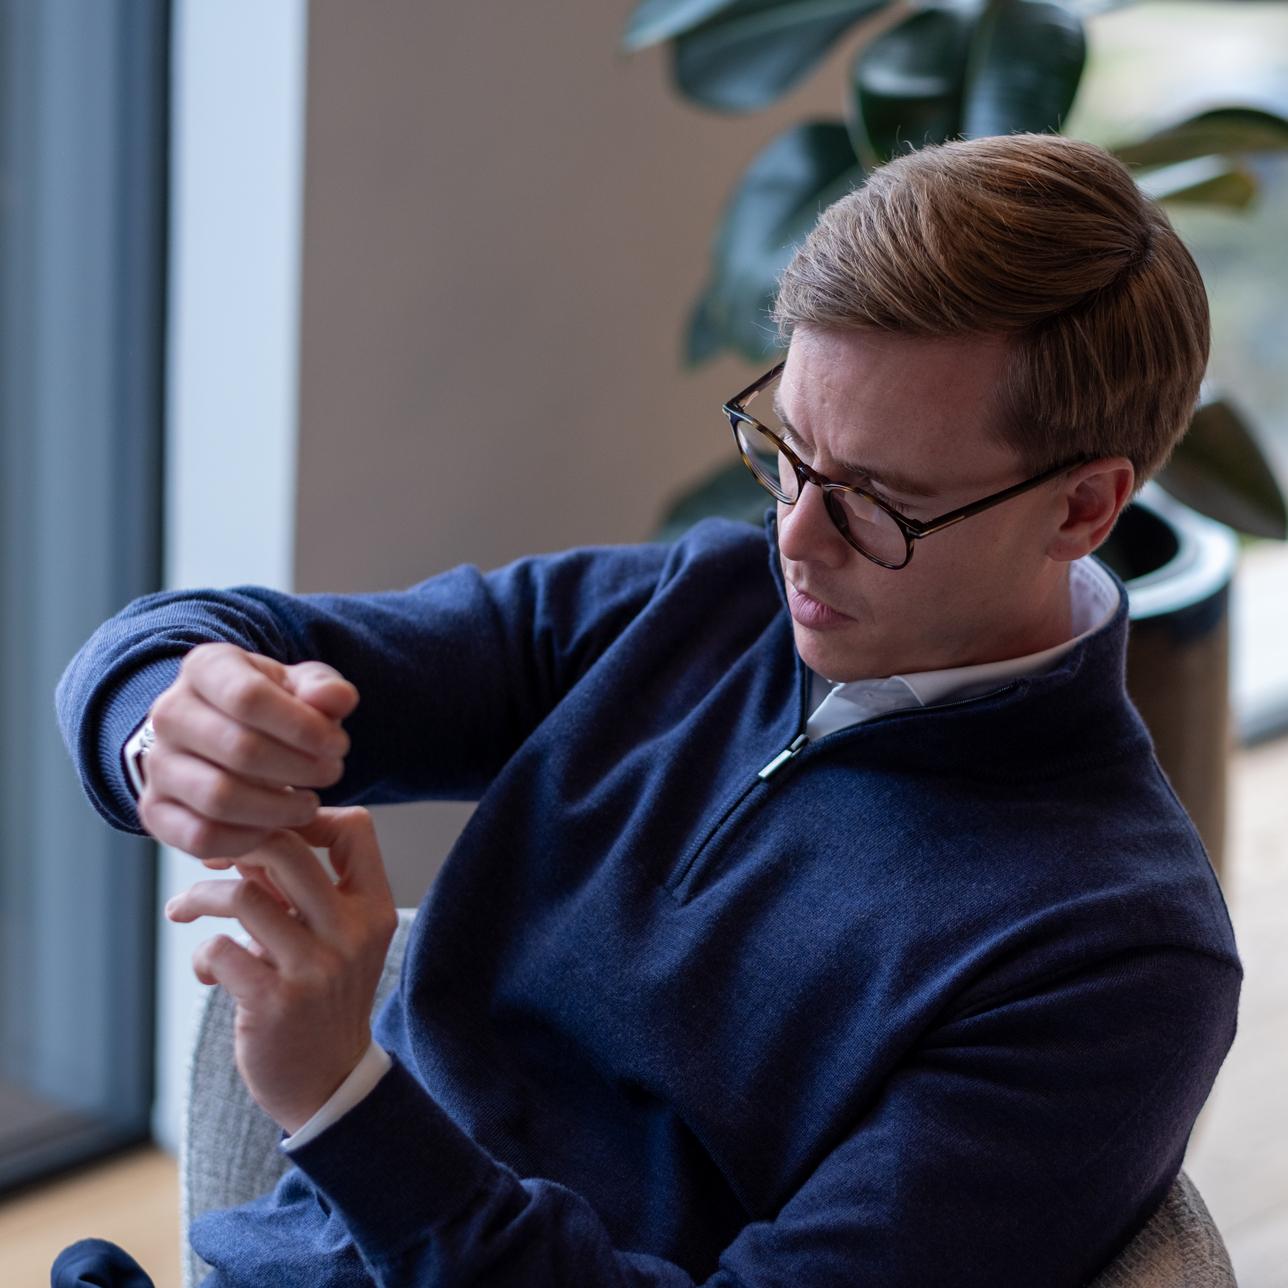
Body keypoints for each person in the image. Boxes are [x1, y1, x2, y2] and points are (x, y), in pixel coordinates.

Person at [53, 132, 1240, 1286]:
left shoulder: (1112, 957)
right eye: (788, 448)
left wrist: (343, 1106)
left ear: (1083, 508)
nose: (793, 538)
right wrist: (168, 728)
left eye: (878, 501)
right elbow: (190, 639)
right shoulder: (694, 608)